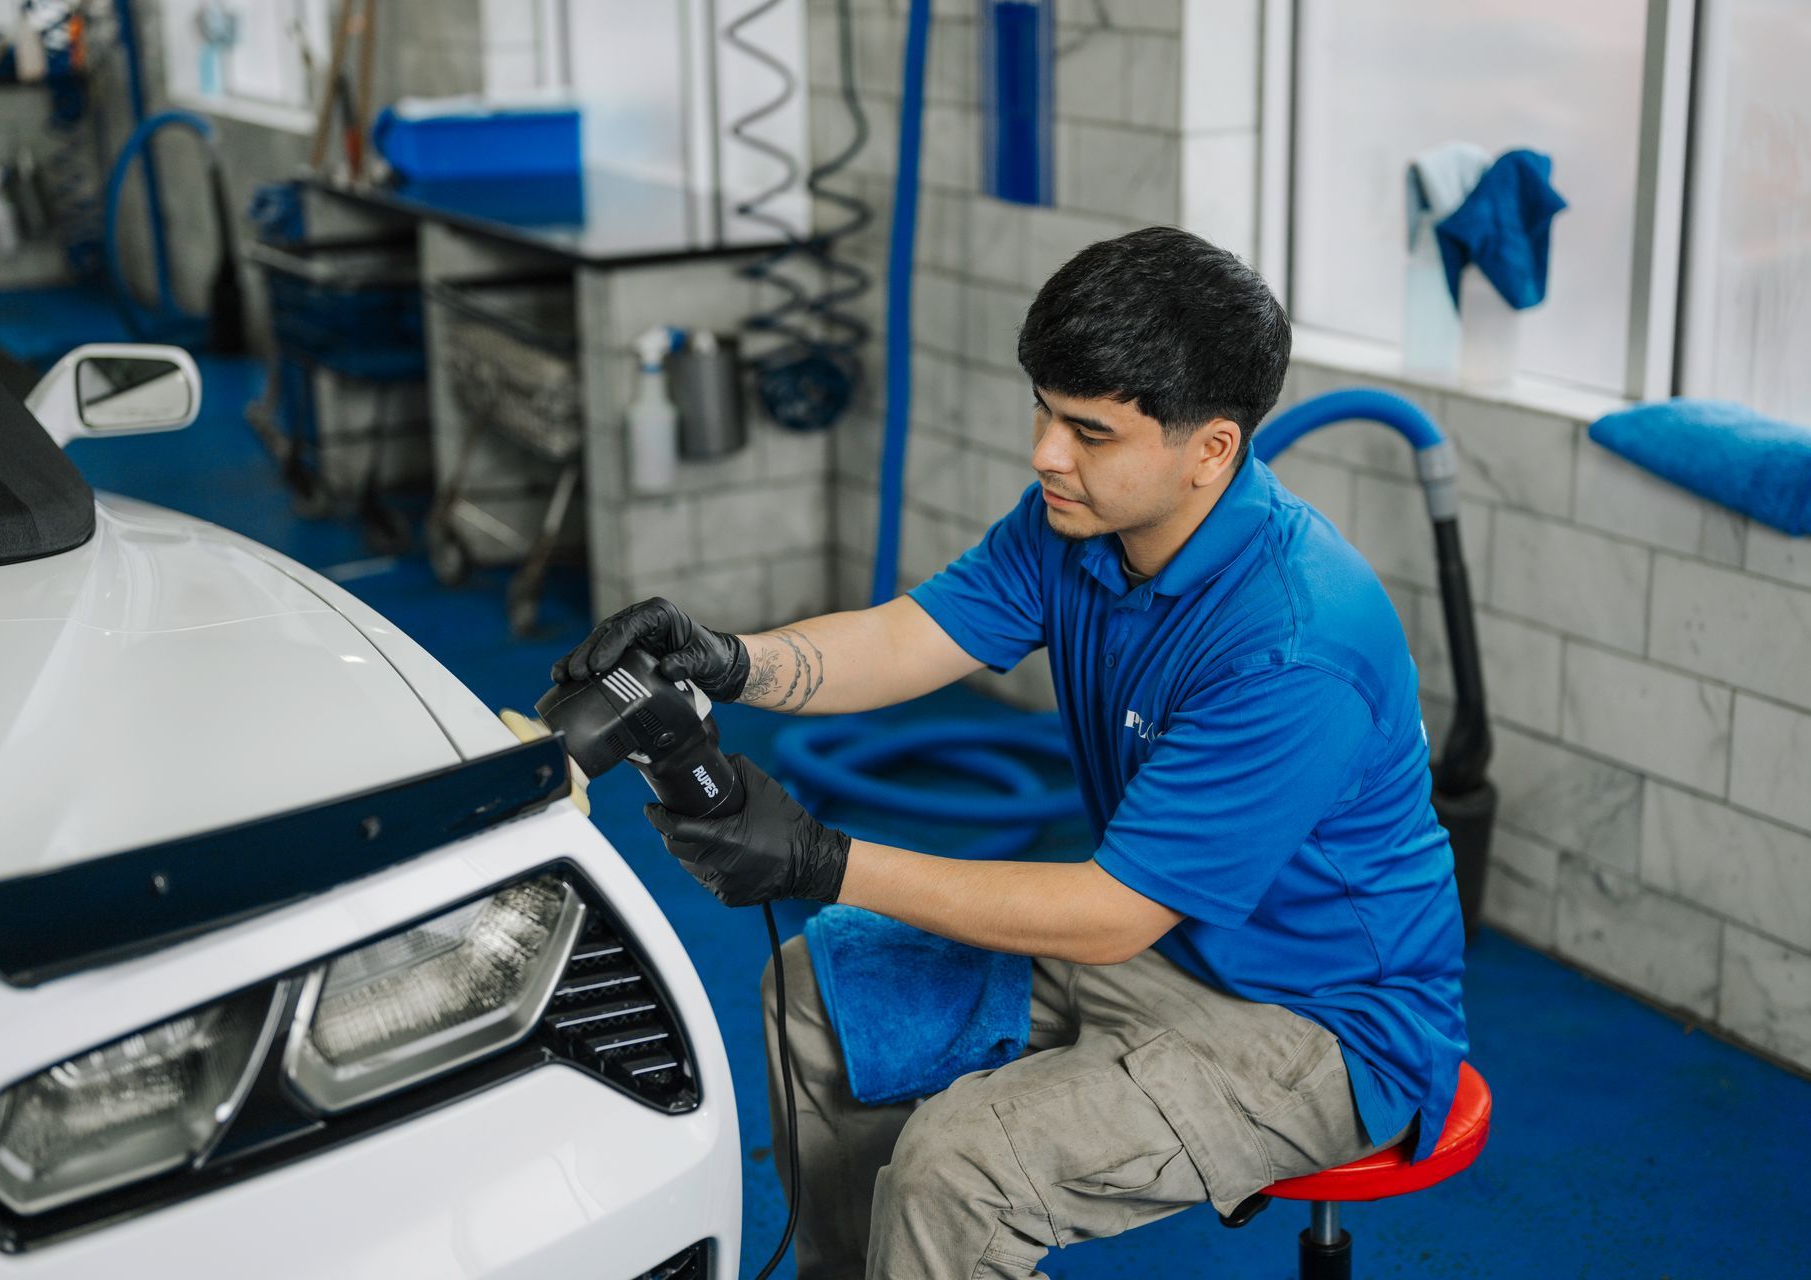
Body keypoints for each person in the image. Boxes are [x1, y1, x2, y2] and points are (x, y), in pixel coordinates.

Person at [552, 226, 1468, 1280]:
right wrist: (725, 659)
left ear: (1211, 447)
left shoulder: (1296, 643)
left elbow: (1113, 909)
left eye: (1088, 430)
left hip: (1319, 1023)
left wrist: (820, 859)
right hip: (1160, 944)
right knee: (823, 990)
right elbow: (908, 635)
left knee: (960, 1167)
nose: (1044, 452)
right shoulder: (1075, 524)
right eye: (1042, 407)